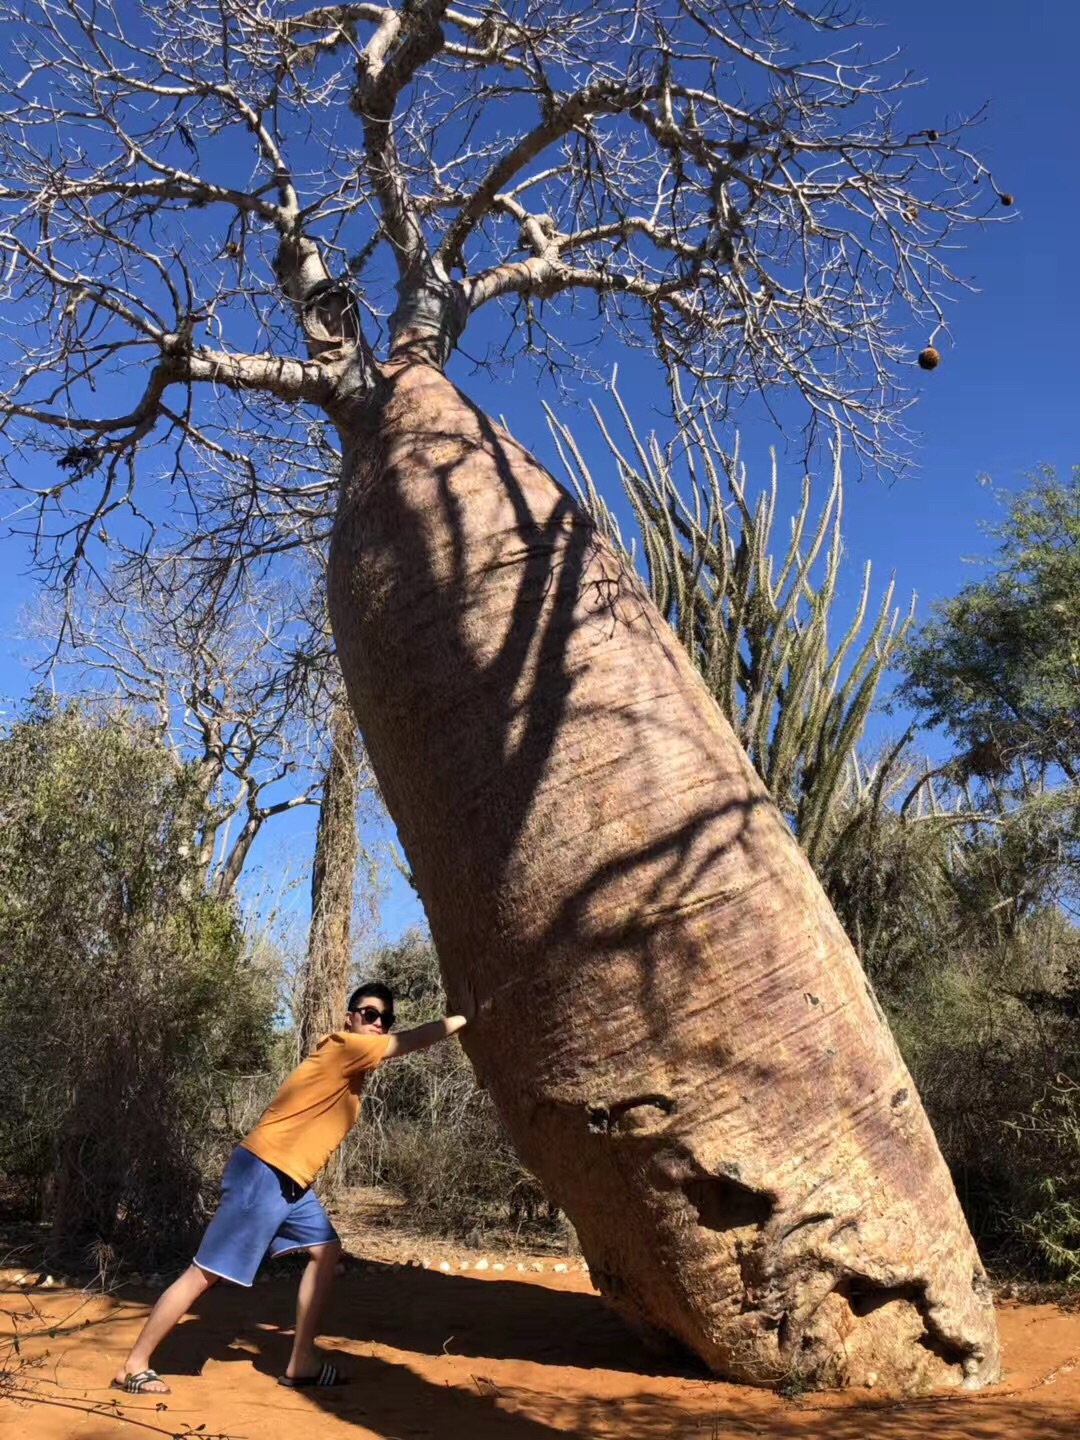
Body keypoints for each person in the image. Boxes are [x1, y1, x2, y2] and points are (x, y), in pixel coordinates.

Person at [111, 982, 468, 1395]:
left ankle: (301, 1362)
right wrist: (463, 1020)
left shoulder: (351, 1068)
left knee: (326, 1250)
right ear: (350, 1017)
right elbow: (407, 1043)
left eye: (385, 1018)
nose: (377, 1023)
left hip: (291, 1182)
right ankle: (133, 1366)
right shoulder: (344, 1046)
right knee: (203, 1274)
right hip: (265, 1172)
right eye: (369, 1014)